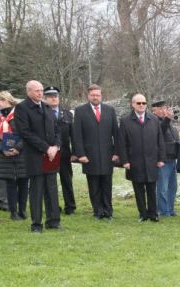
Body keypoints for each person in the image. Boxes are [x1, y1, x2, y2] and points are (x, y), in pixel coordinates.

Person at [14, 80, 61, 233]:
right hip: (35, 156)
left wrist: (56, 146)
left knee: (52, 189)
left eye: (41, 90)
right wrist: (46, 148)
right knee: (37, 190)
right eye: (37, 91)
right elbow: (25, 133)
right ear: (28, 92)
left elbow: (57, 129)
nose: (40, 93)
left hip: (51, 156)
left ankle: (53, 221)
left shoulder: (46, 107)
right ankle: (36, 224)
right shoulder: (22, 108)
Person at [72, 84, 119, 220]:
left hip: (107, 155)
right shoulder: (80, 111)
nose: (95, 97)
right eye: (93, 95)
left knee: (107, 184)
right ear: (88, 96)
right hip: (89, 156)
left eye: (98, 95)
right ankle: (98, 211)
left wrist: (117, 152)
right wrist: (81, 154)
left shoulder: (110, 110)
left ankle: (108, 212)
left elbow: (116, 133)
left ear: (101, 96)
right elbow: (77, 135)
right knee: (94, 185)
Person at [117, 93, 165, 221]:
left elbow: (160, 141)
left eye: (144, 103)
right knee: (138, 189)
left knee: (151, 188)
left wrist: (161, 158)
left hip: (151, 161)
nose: (142, 105)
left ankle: (153, 214)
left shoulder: (154, 120)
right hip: (135, 161)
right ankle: (143, 214)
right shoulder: (126, 121)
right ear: (133, 104)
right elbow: (122, 143)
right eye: (139, 103)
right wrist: (125, 161)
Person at [43, 86, 76, 215]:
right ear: (45, 99)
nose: (53, 98)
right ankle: (53, 207)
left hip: (65, 154)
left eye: (55, 96)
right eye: (50, 96)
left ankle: (70, 206)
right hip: (48, 154)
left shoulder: (67, 114)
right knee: (50, 183)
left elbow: (73, 135)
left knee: (67, 180)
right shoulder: (42, 113)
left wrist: (75, 152)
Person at [0, 91, 28, 221]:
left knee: (23, 182)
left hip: (21, 153)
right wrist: (2, 149)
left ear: (6, 100)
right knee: (10, 183)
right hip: (4, 155)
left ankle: (22, 210)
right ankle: (13, 212)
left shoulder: (20, 114)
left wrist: (18, 148)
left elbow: (26, 133)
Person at [152, 100, 180, 217]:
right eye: (162, 108)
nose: (165, 111)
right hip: (163, 161)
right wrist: (168, 119)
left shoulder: (168, 123)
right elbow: (160, 131)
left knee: (172, 187)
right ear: (155, 111)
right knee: (162, 188)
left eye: (165, 108)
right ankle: (163, 211)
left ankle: (170, 209)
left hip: (172, 159)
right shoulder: (154, 122)